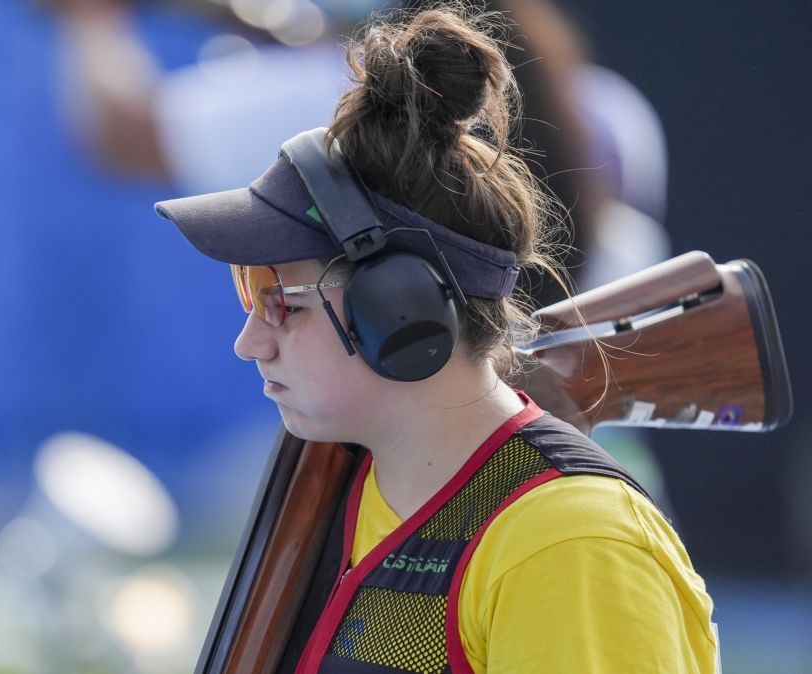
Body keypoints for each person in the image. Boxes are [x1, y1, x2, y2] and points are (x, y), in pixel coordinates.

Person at [156, 5, 717, 673]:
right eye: (252, 288)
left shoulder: (569, 542)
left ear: (396, 307)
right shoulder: (351, 490)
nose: (249, 341)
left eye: (282, 301)